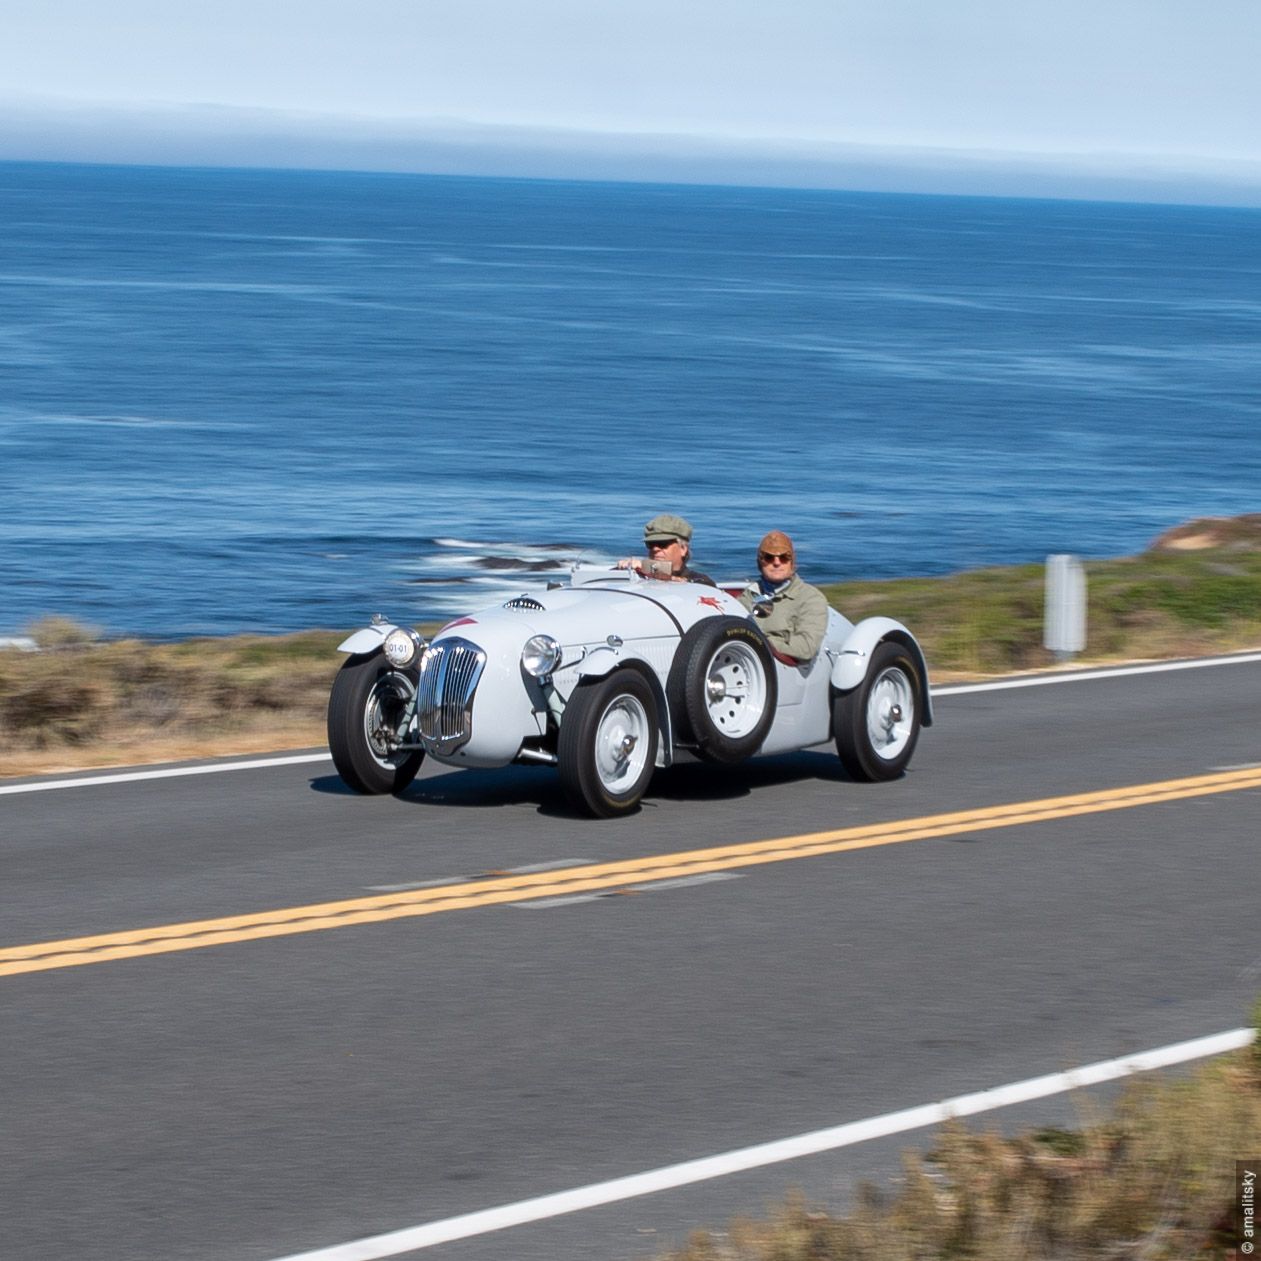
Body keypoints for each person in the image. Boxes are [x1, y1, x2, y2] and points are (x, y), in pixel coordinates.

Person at [739, 530, 829, 663]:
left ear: (792, 562)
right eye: (769, 557)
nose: (776, 562)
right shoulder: (749, 595)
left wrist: (758, 641)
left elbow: (806, 648)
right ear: (760, 562)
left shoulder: (811, 598)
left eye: (784, 557)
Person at [617, 514, 716, 586]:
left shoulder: (702, 582)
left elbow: (689, 584)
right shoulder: (637, 573)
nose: (655, 549)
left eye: (662, 544)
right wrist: (622, 569)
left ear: (683, 549)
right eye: (650, 544)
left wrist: (648, 568)